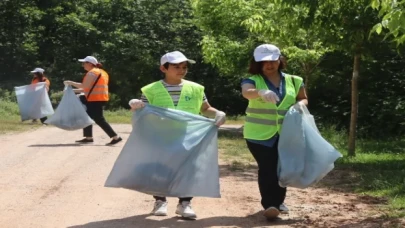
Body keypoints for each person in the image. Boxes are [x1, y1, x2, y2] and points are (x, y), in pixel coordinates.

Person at [129, 51, 226, 219]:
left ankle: (185, 203)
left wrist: (217, 113)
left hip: (188, 135)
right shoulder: (151, 89)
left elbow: (204, 108)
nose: (181, 70)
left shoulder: (196, 89)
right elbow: (142, 109)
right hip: (160, 136)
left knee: (188, 169)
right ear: (163, 68)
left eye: (184, 67)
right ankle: (160, 201)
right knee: (158, 168)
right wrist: (135, 105)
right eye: (176, 67)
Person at [241, 44, 308, 220]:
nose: (269, 65)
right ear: (257, 63)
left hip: (287, 133)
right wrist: (260, 92)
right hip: (258, 135)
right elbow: (247, 93)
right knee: (268, 168)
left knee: (282, 167)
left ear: (280, 60)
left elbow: (303, 98)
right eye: (264, 62)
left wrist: (299, 105)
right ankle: (270, 204)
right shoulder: (252, 80)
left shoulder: (295, 80)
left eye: (273, 60)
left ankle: (278, 202)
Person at [64, 56, 122, 146]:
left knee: (99, 119)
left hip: (95, 99)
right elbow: (89, 88)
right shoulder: (102, 72)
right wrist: (72, 91)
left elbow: (84, 86)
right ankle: (88, 137)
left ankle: (115, 137)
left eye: (84, 63)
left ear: (90, 64)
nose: (83, 65)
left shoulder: (92, 73)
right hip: (98, 98)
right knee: (86, 117)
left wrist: (71, 83)